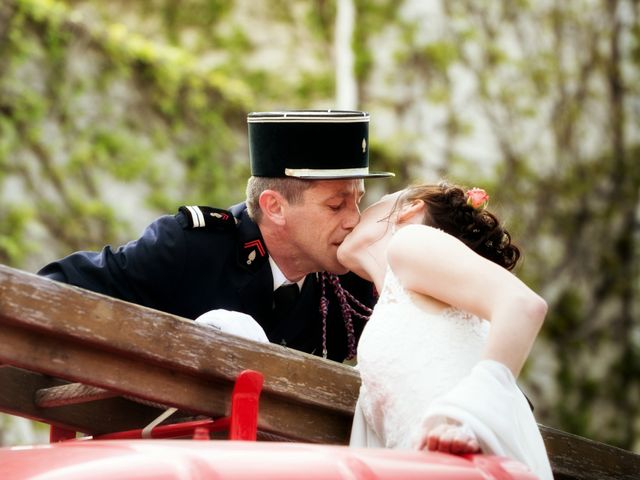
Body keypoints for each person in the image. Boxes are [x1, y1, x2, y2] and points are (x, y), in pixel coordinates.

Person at [38, 110, 394, 362]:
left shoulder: (350, 284)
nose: (354, 221)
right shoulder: (190, 246)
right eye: (336, 206)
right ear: (274, 207)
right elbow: (56, 289)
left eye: (357, 201)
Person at [337, 182, 553, 479]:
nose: (353, 217)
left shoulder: (409, 241)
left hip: (467, 465)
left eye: (373, 201)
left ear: (411, 208)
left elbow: (523, 305)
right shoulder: (399, 307)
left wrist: (466, 417)